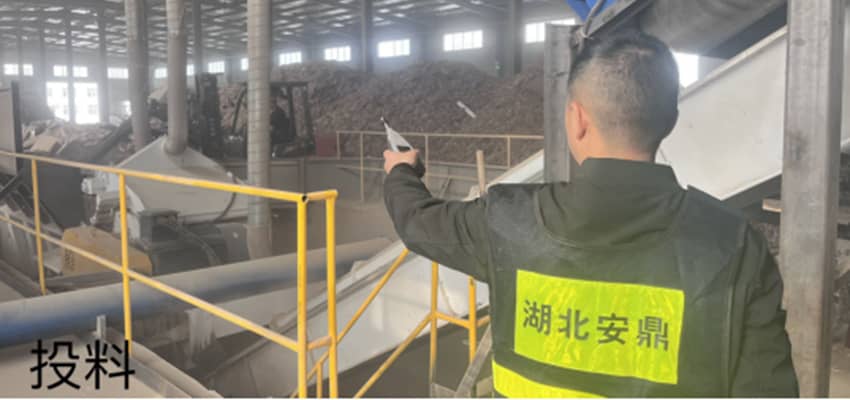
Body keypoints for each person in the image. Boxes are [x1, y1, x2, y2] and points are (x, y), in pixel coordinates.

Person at [382, 31, 798, 397]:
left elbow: (417, 222)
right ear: (670, 120)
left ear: (578, 119)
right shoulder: (734, 246)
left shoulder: (507, 220)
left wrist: (401, 170)